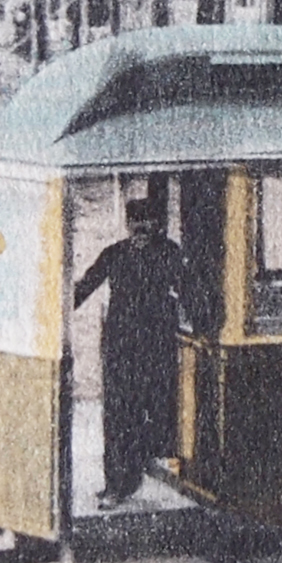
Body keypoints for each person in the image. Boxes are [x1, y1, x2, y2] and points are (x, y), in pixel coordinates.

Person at [73, 196, 190, 507]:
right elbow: (84, 287)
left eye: (148, 221)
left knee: (154, 415)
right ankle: (116, 484)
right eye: (135, 222)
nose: (141, 228)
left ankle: (139, 475)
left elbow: (190, 293)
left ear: (158, 225)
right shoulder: (114, 255)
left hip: (157, 350)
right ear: (128, 225)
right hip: (121, 350)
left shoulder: (170, 254)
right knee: (118, 417)